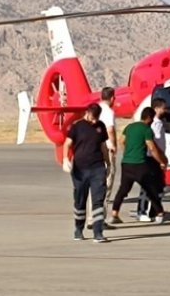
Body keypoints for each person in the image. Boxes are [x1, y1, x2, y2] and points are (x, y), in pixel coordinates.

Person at [110, 107, 168, 224]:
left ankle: (115, 213)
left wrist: (128, 151)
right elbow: (152, 147)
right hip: (140, 164)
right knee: (150, 189)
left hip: (126, 163)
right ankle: (160, 212)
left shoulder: (130, 127)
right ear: (149, 118)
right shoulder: (147, 129)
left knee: (123, 189)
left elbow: (122, 141)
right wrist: (161, 161)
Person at [63, 103, 109, 243]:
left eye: (97, 118)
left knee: (98, 201)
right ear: (87, 113)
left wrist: (108, 163)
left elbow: (103, 146)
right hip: (80, 169)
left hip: (97, 168)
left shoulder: (101, 126)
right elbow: (67, 144)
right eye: (93, 117)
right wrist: (65, 159)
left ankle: (98, 232)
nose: (95, 121)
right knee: (80, 200)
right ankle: (78, 229)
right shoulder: (77, 127)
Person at [87, 87, 118, 229]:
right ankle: (100, 219)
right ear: (112, 98)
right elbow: (110, 130)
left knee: (93, 186)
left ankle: (90, 218)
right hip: (106, 150)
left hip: (93, 151)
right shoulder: (108, 112)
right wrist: (114, 145)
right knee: (106, 184)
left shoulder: (94, 110)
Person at [138, 98, 168, 220]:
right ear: (156, 109)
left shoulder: (160, 123)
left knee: (159, 186)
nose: (164, 110)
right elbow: (152, 143)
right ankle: (143, 211)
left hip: (157, 157)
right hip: (152, 158)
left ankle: (154, 210)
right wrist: (161, 159)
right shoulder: (154, 125)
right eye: (162, 108)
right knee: (148, 186)